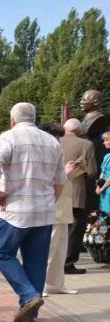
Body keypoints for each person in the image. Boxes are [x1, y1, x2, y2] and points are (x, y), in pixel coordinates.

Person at [0, 102, 66, 322]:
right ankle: (30, 310)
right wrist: (49, 201)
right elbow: (60, 182)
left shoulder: (9, 137)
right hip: (44, 211)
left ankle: (29, 296)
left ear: (13, 119)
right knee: (36, 262)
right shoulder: (52, 142)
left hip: (15, 210)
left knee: (0, 253)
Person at [42, 124, 79, 296]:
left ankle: (56, 285)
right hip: (52, 207)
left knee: (60, 250)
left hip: (63, 207)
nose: (58, 140)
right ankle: (40, 285)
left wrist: (74, 169)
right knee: (48, 249)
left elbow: (62, 178)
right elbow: (47, 180)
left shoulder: (56, 151)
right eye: (56, 137)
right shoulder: (42, 152)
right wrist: (66, 171)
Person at [60, 118, 97, 275]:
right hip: (76, 193)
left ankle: (54, 264)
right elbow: (91, 171)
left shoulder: (53, 141)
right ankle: (68, 263)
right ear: (79, 130)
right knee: (74, 230)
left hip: (55, 191)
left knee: (58, 230)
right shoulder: (86, 144)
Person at [97, 131, 110, 214]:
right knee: (103, 215)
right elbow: (102, 172)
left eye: (106, 140)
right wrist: (98, 186)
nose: (104, 143)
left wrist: (102, 188)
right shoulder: (107, 156)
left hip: (107, 189)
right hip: (104, 191)